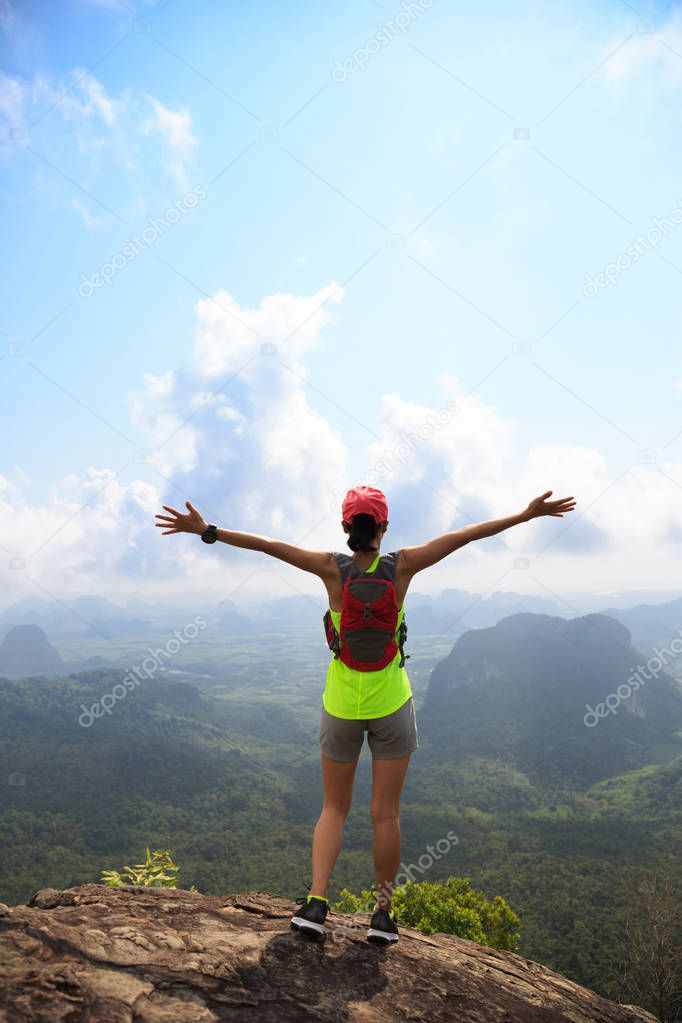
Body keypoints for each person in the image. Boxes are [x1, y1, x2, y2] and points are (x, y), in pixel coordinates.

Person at [155, 484, 576, 944]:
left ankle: (316, 905)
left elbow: (268, 546)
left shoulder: (330, 568)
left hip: (340, 706)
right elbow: (466, 536)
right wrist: (524, 515)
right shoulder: (403, 566)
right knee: (385, 815)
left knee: (333, 808)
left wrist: (208, 531)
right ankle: (383, 915)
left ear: (345, 527)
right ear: (383, 527)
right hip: (393, 704)